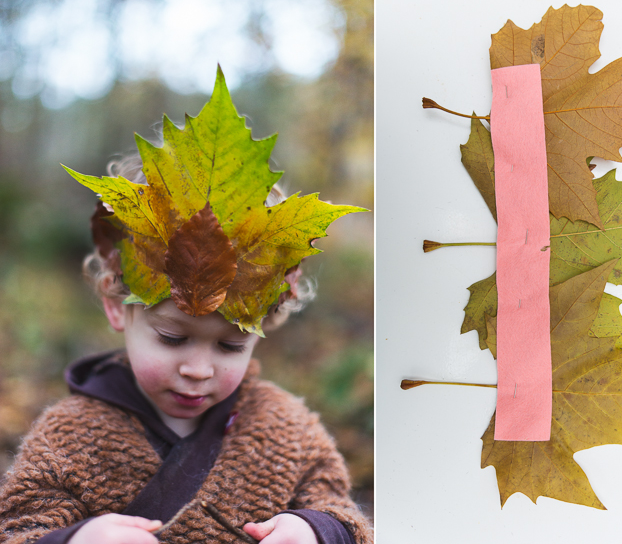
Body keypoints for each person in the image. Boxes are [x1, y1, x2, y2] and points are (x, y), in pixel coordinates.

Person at [0, 69, 372, 544]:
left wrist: (315, 530)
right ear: (118, 305)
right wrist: (76, 539)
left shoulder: (285, 429)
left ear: (263, 325)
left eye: (231, 346)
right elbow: (21, 527)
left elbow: (340, 510)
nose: (199, 369)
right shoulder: (68, 437)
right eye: (173, 337)